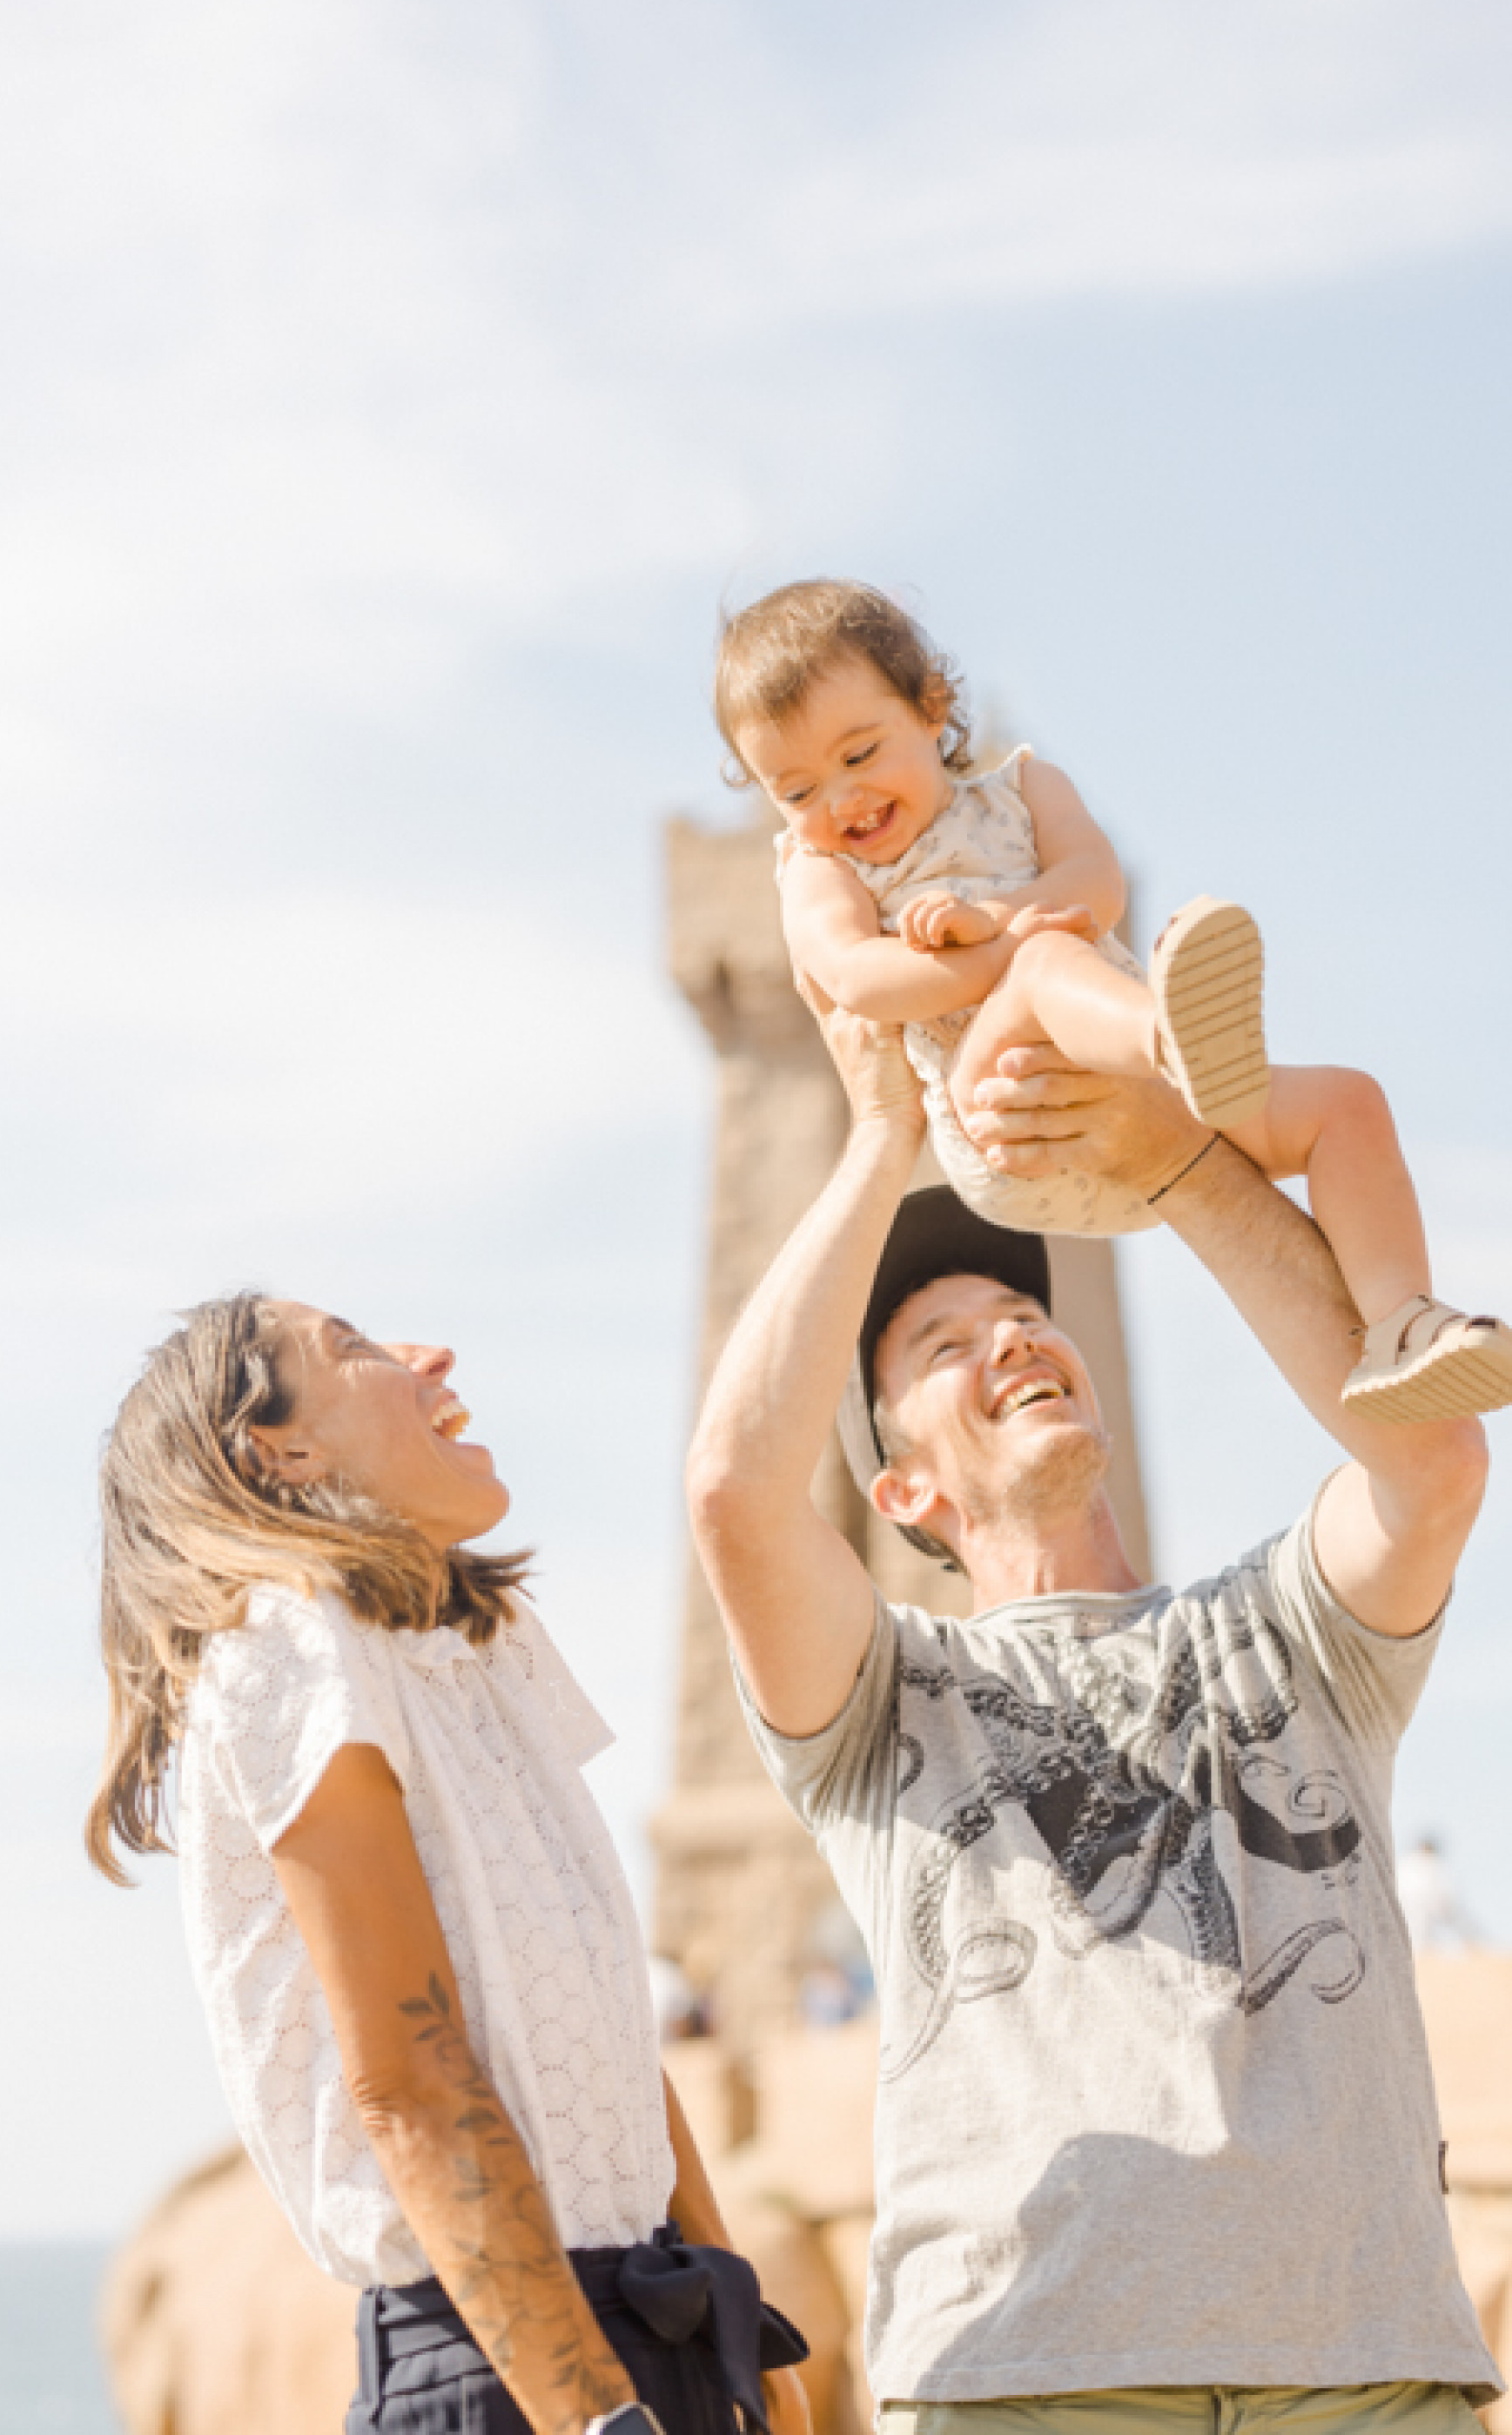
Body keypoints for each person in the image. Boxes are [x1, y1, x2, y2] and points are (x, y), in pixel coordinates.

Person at [686, 993, 1502, 2432]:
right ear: (902, 1492)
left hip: (1370, 2374)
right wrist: (882, 1135)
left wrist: (1176, 1164)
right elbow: (737, 1493)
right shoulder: (884, 1702)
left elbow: (1432, 1464)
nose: (1011, 1336)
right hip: (1030, 2380)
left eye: (1026, 1316)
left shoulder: (1289, 1630)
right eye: (943, 1346)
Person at [86, 1296, 810, 2435]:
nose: (430, 1355)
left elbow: (614, 2045)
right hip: (506, 2365)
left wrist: (746, 2345)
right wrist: (597, 2420)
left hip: (658, 2315)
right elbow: (412, 2084)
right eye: (354, 1348)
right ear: (282, 1450)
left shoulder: (489, 1648)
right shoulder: (283, 1639)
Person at [714, 576, 1512, 1423]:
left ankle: (1401, 1326)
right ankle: (1177, 1038)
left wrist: (991, 920)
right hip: (1001, 1113)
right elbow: (858, 978)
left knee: (1350, 1104)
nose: (839, 801)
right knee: (1047, 959)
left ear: (930, 707)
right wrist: (1011, 949)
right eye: (795, 792)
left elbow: (1096, 883)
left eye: (858, 755)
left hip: (1145, 1105)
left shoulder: (1026, 789)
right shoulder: (822, 870)